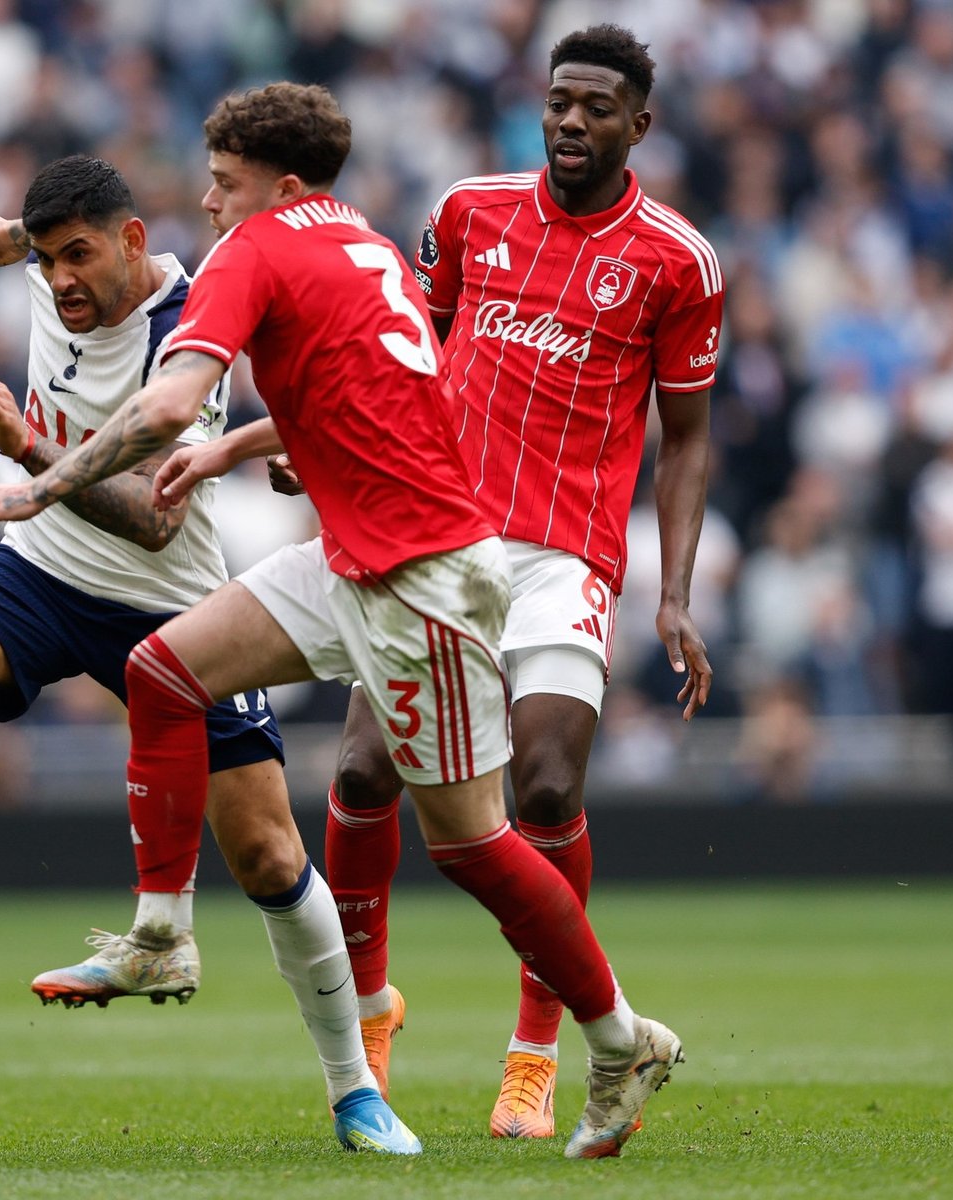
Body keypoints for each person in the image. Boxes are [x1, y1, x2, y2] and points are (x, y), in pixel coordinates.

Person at [0, 81, 681, 1160]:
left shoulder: (257, 245)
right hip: (357, 552)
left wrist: (34, 486)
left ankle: (617, 1038)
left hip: (416, 577)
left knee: (472, 843)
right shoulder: (357, 241)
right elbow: (343, 387)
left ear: (278, 186)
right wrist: (235, 450)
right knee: (163, 670)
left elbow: (157, 401)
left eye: (224, 183)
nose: (207, 202)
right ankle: (161, 933)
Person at [0, 155, 418, 1153]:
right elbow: (45, 235)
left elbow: (152, 523)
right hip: (41, 575)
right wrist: (4, 235)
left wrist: (29, 453)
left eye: (78, 259)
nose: (60, 281)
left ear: (132, 245)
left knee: (272, 856)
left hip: (169, 606)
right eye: (48, 258)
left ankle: (355, 1090)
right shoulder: (52, 261)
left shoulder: (185, 334)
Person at [300, 23, 721, 1139]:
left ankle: (536, 1054)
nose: (570, 121)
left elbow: (688, 442)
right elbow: (406, 353)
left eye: (595, 107)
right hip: (436, 538)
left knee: (541, 791)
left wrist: (673, 593)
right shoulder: (467, 212)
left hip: (567, 554)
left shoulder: (678, 261)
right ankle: (372, 1010)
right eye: (557, 101)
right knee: (361, 769)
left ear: (640, 124)